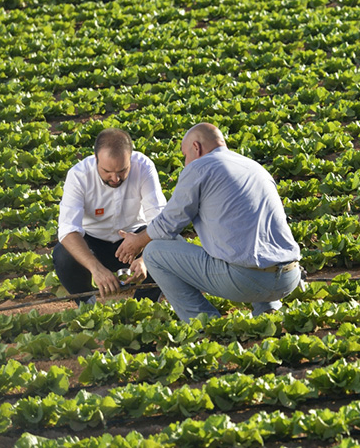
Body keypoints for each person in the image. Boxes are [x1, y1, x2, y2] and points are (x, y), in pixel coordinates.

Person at [117, 123, 303, 321]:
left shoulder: (200, 167)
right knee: (251, 238)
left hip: (246, 281)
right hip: (289, 277)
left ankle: (203, 323)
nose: (186, 162)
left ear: (196, 148)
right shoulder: (254, 167)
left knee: (154, 252)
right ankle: (268, 313)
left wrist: (137, 241)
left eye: (185, 155)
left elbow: (168, 223)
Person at [53, 128, 166, 304]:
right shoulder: (79, 175)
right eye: (107, 172)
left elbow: (159, 220)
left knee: (171, 247)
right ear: (96, 159)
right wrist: (95, 268)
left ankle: (144, 305)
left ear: (130, 158)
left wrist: (145, 258)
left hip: (135, 239)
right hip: (94, 243)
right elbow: (68, 230)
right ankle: (87, 306)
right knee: (62, 254)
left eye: (122, 171)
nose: (115, 178)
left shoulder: (143, 167)